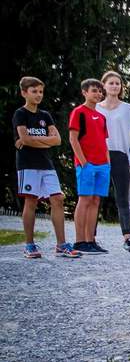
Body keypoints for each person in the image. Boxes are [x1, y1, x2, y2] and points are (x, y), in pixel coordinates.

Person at [13, 76, 81, 258]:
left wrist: (33, 140)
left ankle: (61, 244)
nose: (38, 95)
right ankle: (29, 245)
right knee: (31, 201)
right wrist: (42, 141)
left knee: (58, 198)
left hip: (46, 165)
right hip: (28, 165)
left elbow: (57, 140)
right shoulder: (20, 114)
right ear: (24, 93)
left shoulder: (45, 116)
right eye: (34, 91)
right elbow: (24, 139)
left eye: (41, 92)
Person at [97, 71, 130, 252]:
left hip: (121, 155)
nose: (115, 86)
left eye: (118, 83)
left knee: (123, 198)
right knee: (95, 197)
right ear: (104, 85)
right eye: (111, 83)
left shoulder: (128, 109)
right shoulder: (96, 107)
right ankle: (90, 237)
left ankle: (127, 237)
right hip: (99, 155)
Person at [68, 78, 111, 254]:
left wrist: (108, 161)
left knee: (95, 200)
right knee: (84, 199)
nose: (98, 94)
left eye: (100, 91)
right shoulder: (79, 112)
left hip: (103, 164)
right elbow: (73, 138)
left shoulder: (102, 117)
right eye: (94, 90)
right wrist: (83, 161)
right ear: (85, 92)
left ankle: (90, 240)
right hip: (87, 164)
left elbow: (103, 141)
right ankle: (79, 241)